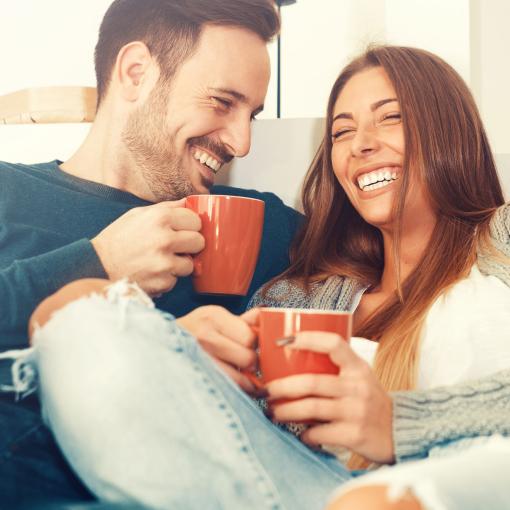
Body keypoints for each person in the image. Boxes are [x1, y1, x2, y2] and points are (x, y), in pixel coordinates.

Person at [19, 44, 509, 510]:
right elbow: (245, 445)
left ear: (449, 129)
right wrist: (189, 354)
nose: (360, 145)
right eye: (341, 132)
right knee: (79, 312)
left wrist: (397, 423)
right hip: (308, 490)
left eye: (391, 117)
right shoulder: (300, 297)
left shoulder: (502, 237)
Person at [0, 0, 302, 506]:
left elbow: (403, 249)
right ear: (136, 73)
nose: (242, 141)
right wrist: (101, 262)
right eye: (222, 102)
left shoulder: (249, 223)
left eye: (250, 114)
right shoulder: (8, 193)